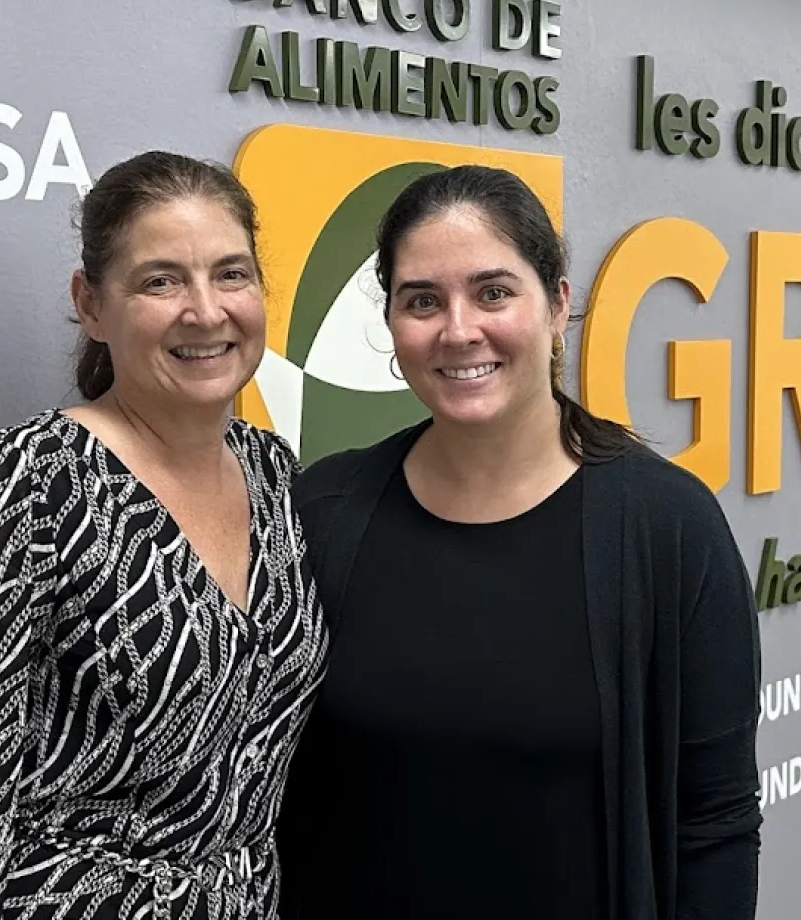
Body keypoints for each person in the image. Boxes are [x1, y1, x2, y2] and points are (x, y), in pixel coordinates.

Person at [275, 165, 763, 919]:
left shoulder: (668, 529)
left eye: (494, 291)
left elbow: (716, 819)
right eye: (422, 301)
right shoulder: (325, 511)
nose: (458, 329)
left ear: (557, 303)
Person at [0, 151, 328, 920]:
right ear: (91, 304)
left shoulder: (274, 472)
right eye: (160, 280)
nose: (206, 310)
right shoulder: (22, 485)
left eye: (231, 274)